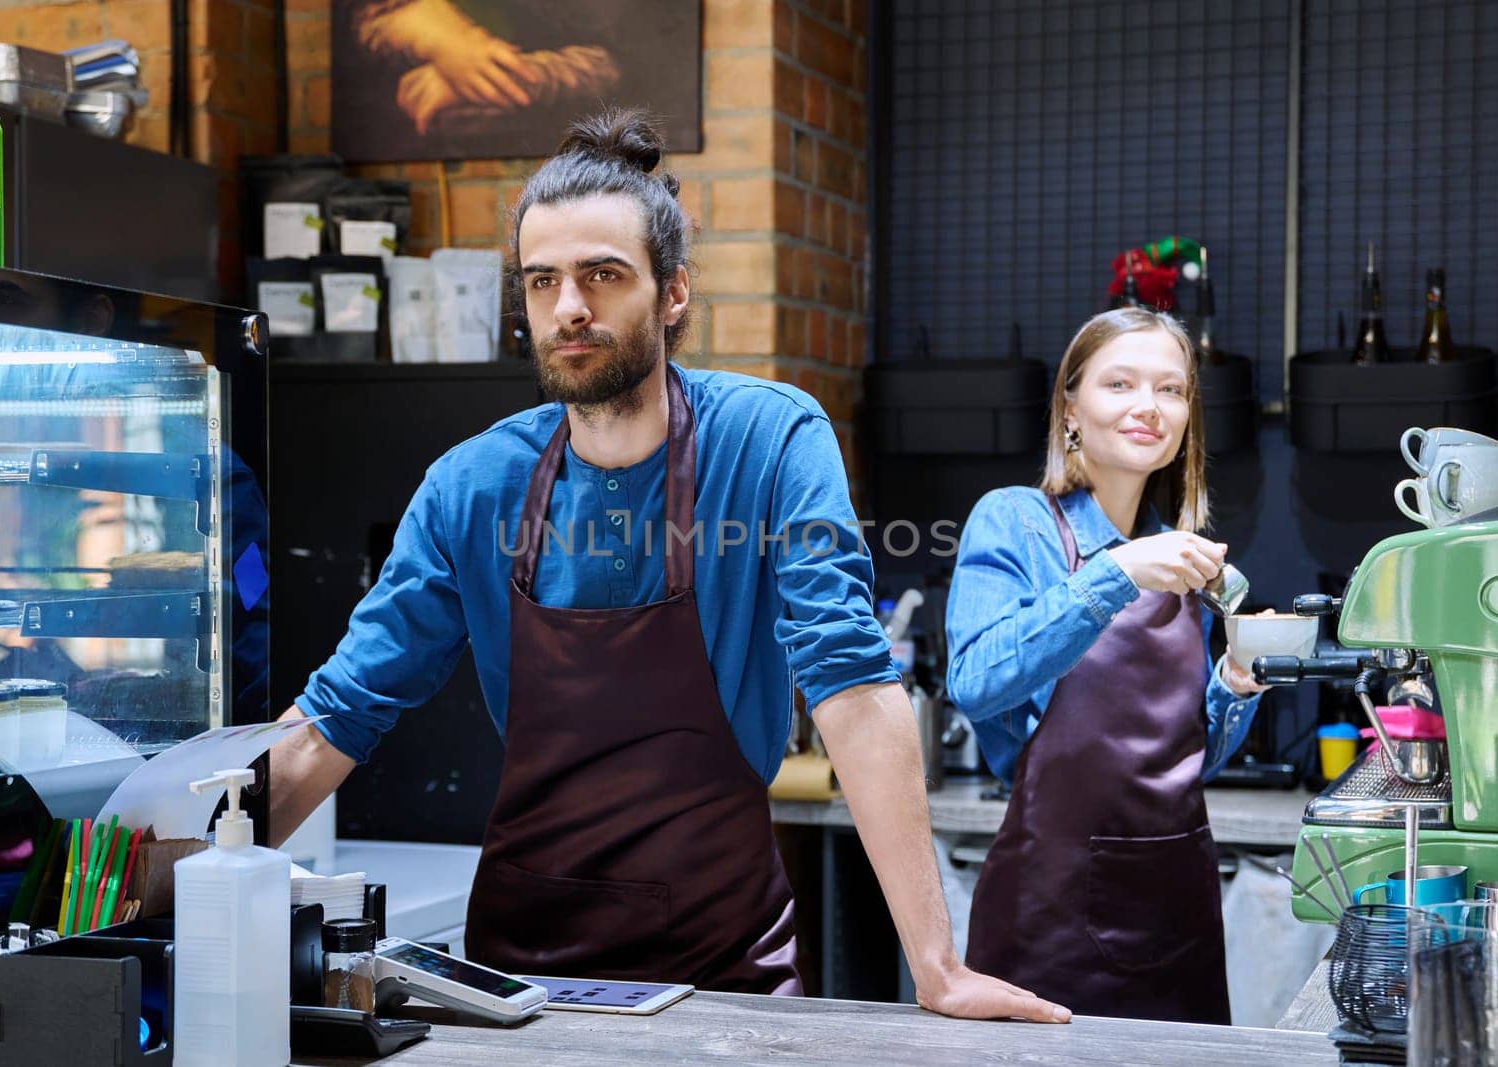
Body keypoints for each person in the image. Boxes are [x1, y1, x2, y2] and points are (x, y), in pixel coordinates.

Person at [268, 109, 1069, 1022]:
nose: (569, 306)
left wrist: (937, 965)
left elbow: (849, 678)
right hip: (522, 992)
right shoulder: (472, 485)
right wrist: (165, 887)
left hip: (724, 975)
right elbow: (337, 713)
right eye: (543, 281)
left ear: (673, 292)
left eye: (602, 275)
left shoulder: (768, 440)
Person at [945, 307, 1267, 1024]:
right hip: (1048, 918)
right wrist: (1116, 574)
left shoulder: (1180, 556)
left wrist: (1236, 684)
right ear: (1071, 405)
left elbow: (1184, 760)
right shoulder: (1016, 521)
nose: (1148, 407)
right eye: (1120, 383)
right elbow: (975, 679)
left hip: (1177, 912)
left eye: (1171, 389)